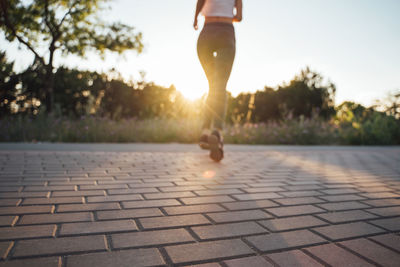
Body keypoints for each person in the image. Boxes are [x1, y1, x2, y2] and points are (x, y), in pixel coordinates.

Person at [194, 0, 242, 162]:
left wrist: (195, 19)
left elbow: (200, 3)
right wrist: (228, 17)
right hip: (226, 33)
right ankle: (217, 131)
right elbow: (239, 17)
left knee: (212, 86)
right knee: (220, 87)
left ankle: (205, 130)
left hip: (206, 33)